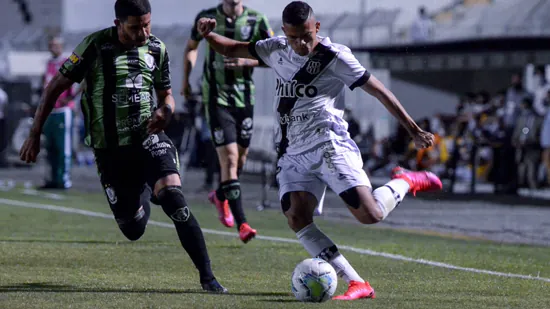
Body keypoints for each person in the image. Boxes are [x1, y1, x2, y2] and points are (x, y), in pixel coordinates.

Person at [196, 1, 442, 300]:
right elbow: (232, 48)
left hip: (329, 145)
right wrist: (208, 36)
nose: (300, 43)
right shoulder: (275, 49)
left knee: (370, 214)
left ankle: (405, 180)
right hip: (292, 152)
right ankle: (357, 283)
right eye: (292, 37)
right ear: (284, 32)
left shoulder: (335, 56)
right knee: (297, 217)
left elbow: (379, 90)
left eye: (306, 36)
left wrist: (413, 129)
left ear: (317, 28)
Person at [19, 0, 227, 293]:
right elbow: (55, 87)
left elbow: (166, 95)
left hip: (148, 139)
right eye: (134, 27)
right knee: (133, 229)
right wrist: (35, 133)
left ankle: (208, 278)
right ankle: (145, 189)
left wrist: (166, 111)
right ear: (118, 24)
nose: (142, 33)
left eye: (147, 25)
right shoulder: (95, 46)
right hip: (110, 150)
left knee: (173, 199)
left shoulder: (157, 48)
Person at [182, 0, 274, 243]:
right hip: (215, 97)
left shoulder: (257, 20)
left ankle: (220, 195)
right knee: (230, 158)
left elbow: (274, 56)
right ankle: (242, 223)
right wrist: (185, 81)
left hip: (244, 98)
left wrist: (248, 61)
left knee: (240, 160)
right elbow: (191, 46)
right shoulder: (206, 17)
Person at [40, 36, 78, 189]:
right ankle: (53, 178)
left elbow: (78, 83)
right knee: (50, 147)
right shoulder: (49, 64)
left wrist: (68, 98)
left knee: (63, 147)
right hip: (50, 111)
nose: (53, 48)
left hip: (63, 111)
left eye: (56, 45)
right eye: (51, 45)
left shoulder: (67, 63)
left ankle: (64, 179)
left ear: (61, 47)